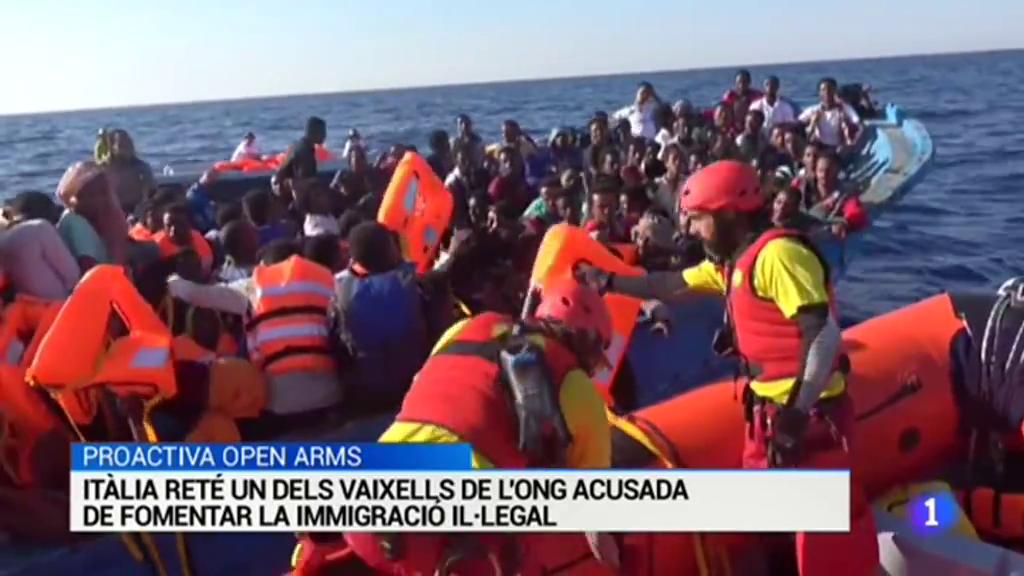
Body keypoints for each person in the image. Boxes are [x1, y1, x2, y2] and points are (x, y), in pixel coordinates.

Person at [579, 160, 877, 576]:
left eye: (699, 219)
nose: (691, 231)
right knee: (765, 527)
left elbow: (823, 334)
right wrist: (609, 281)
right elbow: (671, 284)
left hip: (809, 417)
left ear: (729, 215)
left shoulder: (778, 256)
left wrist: (795, 413)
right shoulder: (733, 263)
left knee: (823, 543)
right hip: (767, 416)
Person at [324, 278, 617, 576]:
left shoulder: (466, 327)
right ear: (588, 344)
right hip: (447, 532)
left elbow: (423, 385)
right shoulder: (576, 386)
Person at [334, 222, 433, 411]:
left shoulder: (339, 292)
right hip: (416, 384)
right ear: (391, 250)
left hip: (368, 393)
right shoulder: (415, 283)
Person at [0, 192, 79, 300]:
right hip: (61, 304)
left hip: (27, 306)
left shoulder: (4, 240)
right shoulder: (40, 228)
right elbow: (73, 275)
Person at [55, 161, 129, 271]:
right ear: (73, 198)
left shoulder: (106, 216)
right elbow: (90, 267)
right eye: (91, 195)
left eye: (103, 193)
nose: (100, 200)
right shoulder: (75, 223)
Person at [153, 203, 215, 279]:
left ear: (190, 224)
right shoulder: (156, 247)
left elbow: (206, 272)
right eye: (168, 225)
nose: (174, 230)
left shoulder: (200, 242)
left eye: (179, 224)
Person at [800, 78, 862, 150]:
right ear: (819, 93)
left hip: (839, 148)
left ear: (835, 91)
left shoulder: (845, 109)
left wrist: (852, 143)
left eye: (830, 89)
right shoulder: (814, 110)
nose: (827, 92)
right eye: (823, 90)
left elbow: (859, 125)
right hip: (819, 147)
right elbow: (797, 125)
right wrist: (812, 123)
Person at [105, 129, 155, 214]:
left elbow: (149, 193)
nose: (126, 147)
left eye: (128, 143)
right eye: (121, 144)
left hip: (136, 209)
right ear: (111, 147)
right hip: (112, 210)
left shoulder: (141, 167)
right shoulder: (104, 168)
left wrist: (141, 209)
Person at [276, 116, 327, 189]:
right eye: (322, 132)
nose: (325, 136)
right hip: (294, 192)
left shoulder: (297, 145)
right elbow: (303, 184)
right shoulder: (304, 153)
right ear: (313, 132)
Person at [584, 176, 630, 243]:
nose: (607, 211)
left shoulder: (625, 227)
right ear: (592, 209)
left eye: (611, 206)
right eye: (601, 207)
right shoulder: (590, 232)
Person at [652, 143, 685, 221]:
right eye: (674, 159)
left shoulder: (687, 184)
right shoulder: (657, 185)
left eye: (680, 159)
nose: (678, 162)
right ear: (666, 162)